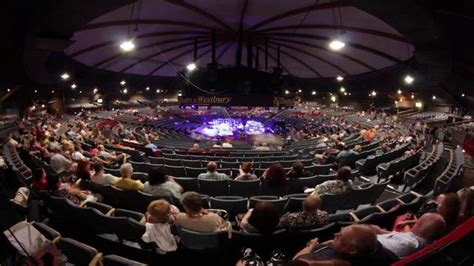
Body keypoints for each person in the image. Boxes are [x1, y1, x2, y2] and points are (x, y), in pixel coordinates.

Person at [293, 224, 396, 266]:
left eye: (339, 237)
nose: (335, 235)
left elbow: (297, 261)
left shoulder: (345, 262)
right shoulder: (373, 245)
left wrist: (310, 246)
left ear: (352, 250)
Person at [375, 213, 445, 258]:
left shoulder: (408, 244)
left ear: (421, 233)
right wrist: (382, 231)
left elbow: (371, 242)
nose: (414, 223)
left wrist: (371, 231)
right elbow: (396, 237)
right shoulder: (425, 240)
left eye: (417, 223)